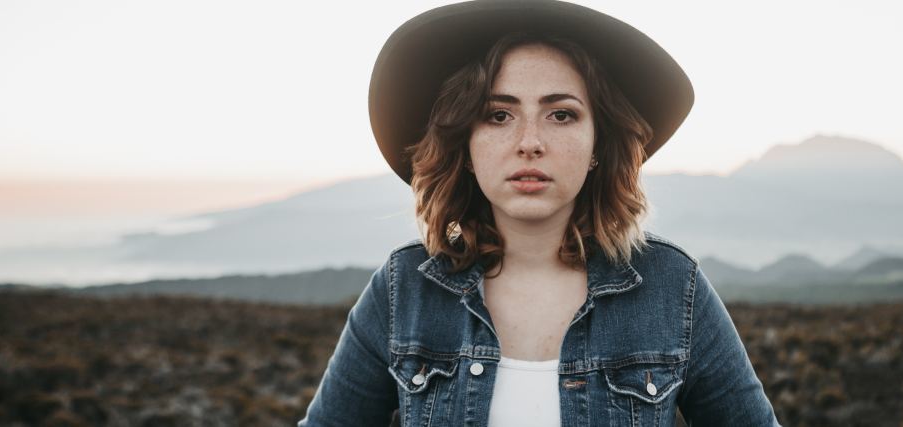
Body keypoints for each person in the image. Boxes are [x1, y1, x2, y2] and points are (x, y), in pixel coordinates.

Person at [299, 1, 779, 425]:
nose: (529, 142)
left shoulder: (673, 288)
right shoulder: (405, 288)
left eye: (561, 114)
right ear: (465, 144)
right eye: (498, 115)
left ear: (598, 143)